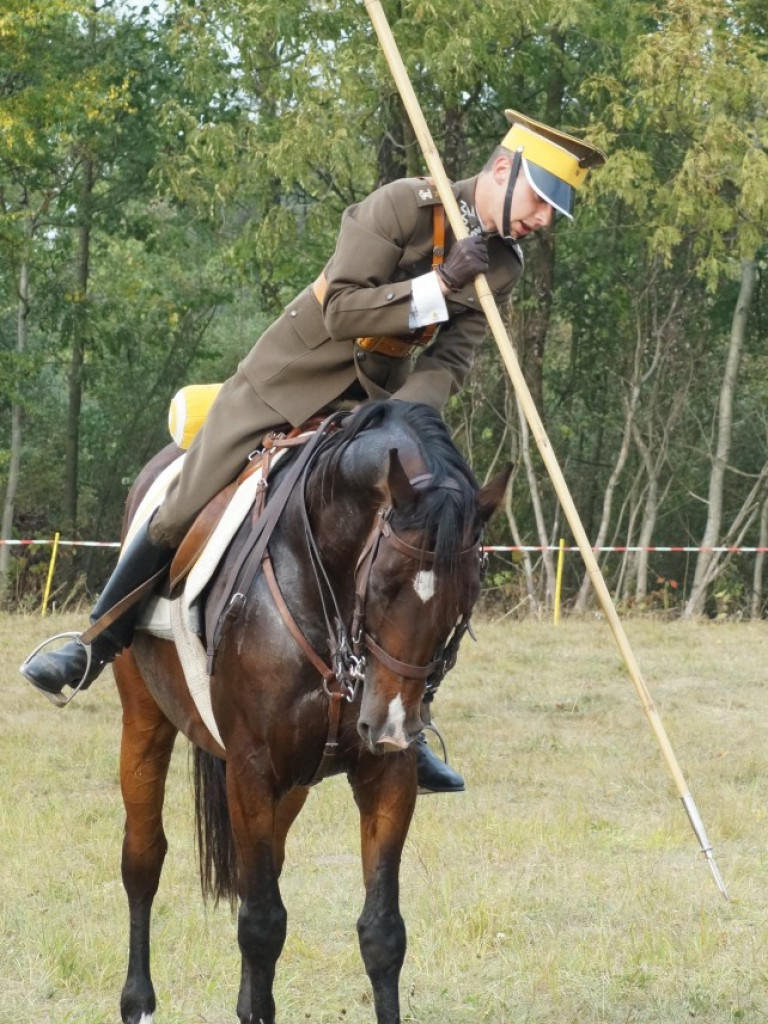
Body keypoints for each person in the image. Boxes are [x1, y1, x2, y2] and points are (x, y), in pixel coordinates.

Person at [21, 109, 605, 792]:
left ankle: (402, 726)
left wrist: (400, 425)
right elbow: (343, 312)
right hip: (285, 384)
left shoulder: (501, 263)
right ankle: (93, 645)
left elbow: (450, 357)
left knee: (416, 548)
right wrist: (439, 284)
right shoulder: (401, 206)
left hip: (375, 408)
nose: (542, 221)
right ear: (503, 170)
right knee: (183, 502)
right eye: (540, 201)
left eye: (552, 213)